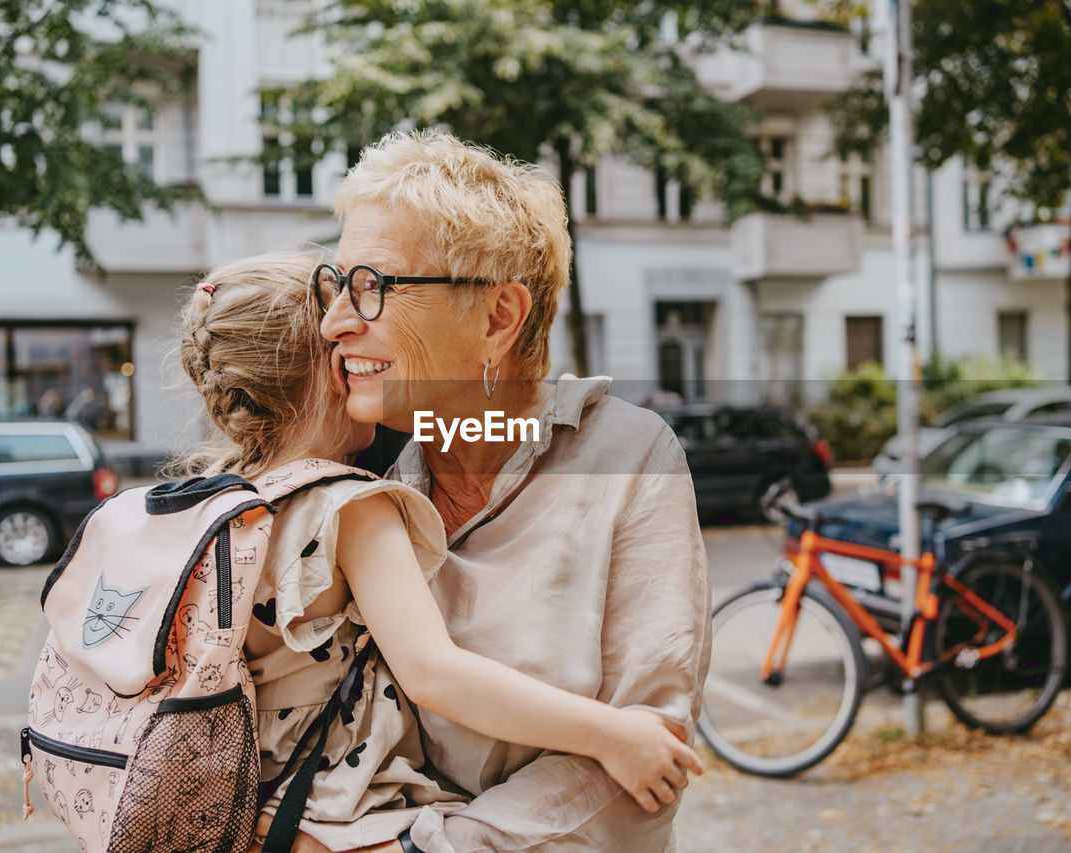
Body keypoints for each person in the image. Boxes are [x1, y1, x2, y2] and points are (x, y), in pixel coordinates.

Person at [177, 252, 702, 853]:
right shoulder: (350, 509)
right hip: (335, 816)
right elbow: (433, 672)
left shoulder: (217, 504)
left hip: (250, 800)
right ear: (332, 370)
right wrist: (612, 735)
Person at [320, 130, 711, 851]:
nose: (336, 320)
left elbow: (647, 759)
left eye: (374, 286)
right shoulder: (360, 490)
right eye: (336, 283)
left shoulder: (629, 458)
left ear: (497, 318)